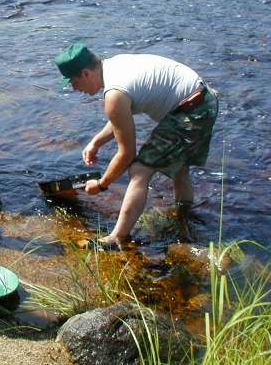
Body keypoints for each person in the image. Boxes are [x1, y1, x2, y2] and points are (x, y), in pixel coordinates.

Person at [54, 44, 219, 247]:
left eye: (73, 81)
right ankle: (183, 216)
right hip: (203, 100)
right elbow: (120, 117)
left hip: (190, 112)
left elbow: (127, 153)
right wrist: (96, 142)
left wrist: (102, 184)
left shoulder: (114, 92)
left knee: (140, 170)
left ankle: (117, 238)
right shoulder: (115, 65)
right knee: (179, 167)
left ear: (85, 73)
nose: (74, 88)